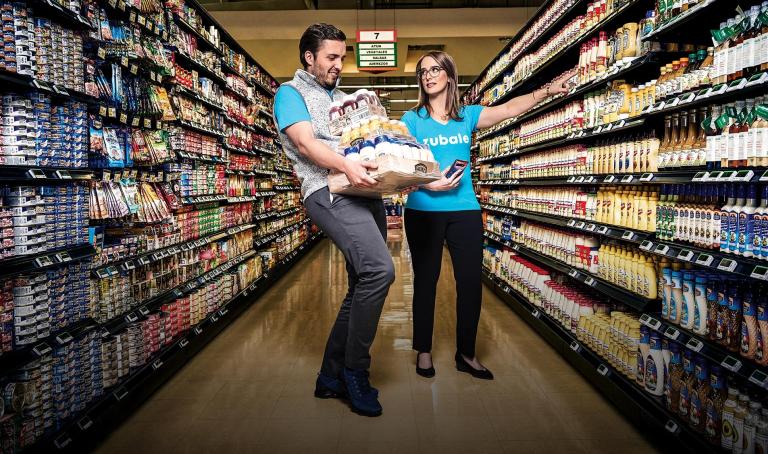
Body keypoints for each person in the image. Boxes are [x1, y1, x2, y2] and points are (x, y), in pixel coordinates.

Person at [402, 51, 576, 379]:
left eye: (435, 69)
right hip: (423, 210)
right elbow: (400, 159)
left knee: (470, 283)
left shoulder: (466, 116)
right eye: (423, 71)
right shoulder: (411, 120)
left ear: (450, 76)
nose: (428, 75)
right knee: (426, 282)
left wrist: (548, 91)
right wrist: (430, 181)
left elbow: (508, 109)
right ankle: (424, 351)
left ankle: (466, 354)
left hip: (465, 209)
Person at [272, 23, 395, 417]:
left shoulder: (345, 98)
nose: (340, 64)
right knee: (379, 270)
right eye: (332, 57)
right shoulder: (290, 94)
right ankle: (355, 371)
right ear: (309, 57)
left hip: (364, 189)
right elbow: (307, 144)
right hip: (326, 190)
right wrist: (347, 164)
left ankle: (329, 375)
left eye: (343, 57)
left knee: (362, 280)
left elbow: (363, 142)